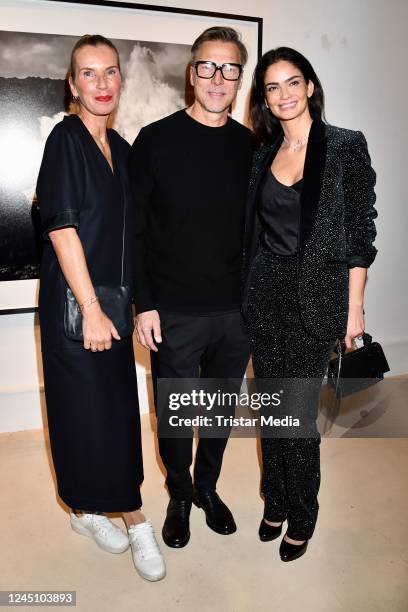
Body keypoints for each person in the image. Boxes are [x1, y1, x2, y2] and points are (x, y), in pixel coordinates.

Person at [36, 34, 165, 581]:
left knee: (109, 414)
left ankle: (88, 510)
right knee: (83, 416)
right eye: (89, 74)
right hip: (77, 308)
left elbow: (131, 236)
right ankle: (133, 518)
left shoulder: (124, 149)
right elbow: (62, 227)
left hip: (111, 307)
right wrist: (90, 307)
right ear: (73, 84)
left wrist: (138, 304)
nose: (103, 83)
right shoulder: (65, 140)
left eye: (111, 72)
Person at [242, 47, 377, 562]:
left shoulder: (344, 146)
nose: (283, 95)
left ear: (310, 86)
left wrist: (355, 304)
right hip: (264, 297)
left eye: (292, 83)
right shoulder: (262, 154)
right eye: (272, 87)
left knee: (296, 416)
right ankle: (274, 501)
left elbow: (361, 229)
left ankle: (303, 515)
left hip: (317, 299)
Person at [129, 27, 253, 548]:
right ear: (192, 72)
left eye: (229, 69)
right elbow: (132, 230)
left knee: (221, 409)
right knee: (175, 414)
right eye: (208, 66)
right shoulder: (155, 140)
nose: (218, 78)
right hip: (173, 311)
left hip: (237, 312)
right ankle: (179, 494)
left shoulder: (253, 146)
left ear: (239, 78)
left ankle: (207, 487)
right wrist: (145, 304)